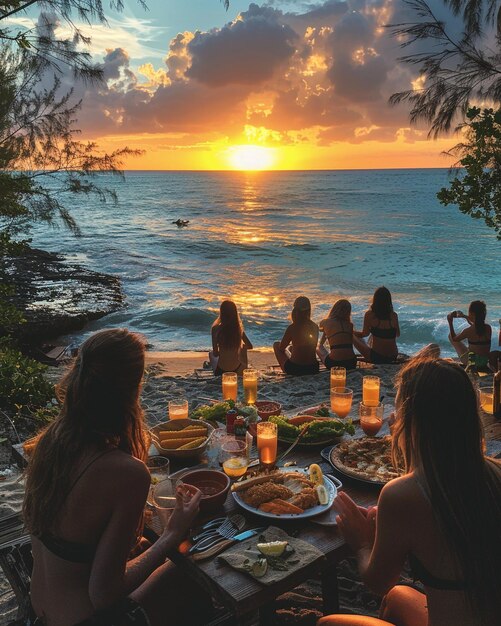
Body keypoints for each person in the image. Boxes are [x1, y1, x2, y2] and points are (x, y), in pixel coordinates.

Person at [23, 328, 209, 626]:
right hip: (87, 619)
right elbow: (104, 594)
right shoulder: (126, 472)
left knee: (150, 550)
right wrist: (173, 533)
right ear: (133, 389)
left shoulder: (50, 442)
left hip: (42, 610)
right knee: (190, 569)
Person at [319, 358, 501, 626]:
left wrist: (362, 543)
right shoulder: (494, 473)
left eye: (399, 411)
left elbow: (377, 582)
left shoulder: (404, 494)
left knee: (328, 623)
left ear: (413, 422)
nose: (393, 418)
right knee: (397, 597)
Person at [273, 296, 320, 375]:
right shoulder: (315, 326)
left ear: (294, 311)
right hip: (313, 368)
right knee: (292, 347)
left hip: (295, 369)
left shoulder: (292, 327)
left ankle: (285, 370)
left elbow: (281, 348)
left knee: (276, 345)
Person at [353, 287, 400, 364]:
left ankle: (346, 355)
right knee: (370, 339)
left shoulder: (369, 315)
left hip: (377, 357)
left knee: (351, 335)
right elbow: (398, 334)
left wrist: (352, 332)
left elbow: (364, 334)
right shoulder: (394, 315)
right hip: (393, 356)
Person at [209, 300, 253, 375]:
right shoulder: (238, 329)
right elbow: (250, 346)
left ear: (221, 312)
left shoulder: (215, 329)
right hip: (238, 369)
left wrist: (224, 351)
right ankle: (244, 370)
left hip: (221, 370)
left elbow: (215, 354)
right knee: (244, 348)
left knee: (211, 353)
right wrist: (239, 348)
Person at [447, 300, 492, 371]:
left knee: (450, 336)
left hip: (472, 363)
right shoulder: (488, 328)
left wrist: (450, 322)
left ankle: (466, 363)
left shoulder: (468, 330)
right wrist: (464, 316)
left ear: (472, 314)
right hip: (484, 362)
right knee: (473, 345)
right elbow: (477, 325)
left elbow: (454, 339)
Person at [317, 299, 357, 370]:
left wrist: (328, 330)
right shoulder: (350, 325)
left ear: (334, 309)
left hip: (334, 363)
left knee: (317, 347)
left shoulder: (325, 322)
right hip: (351, 362)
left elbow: (320, 329)